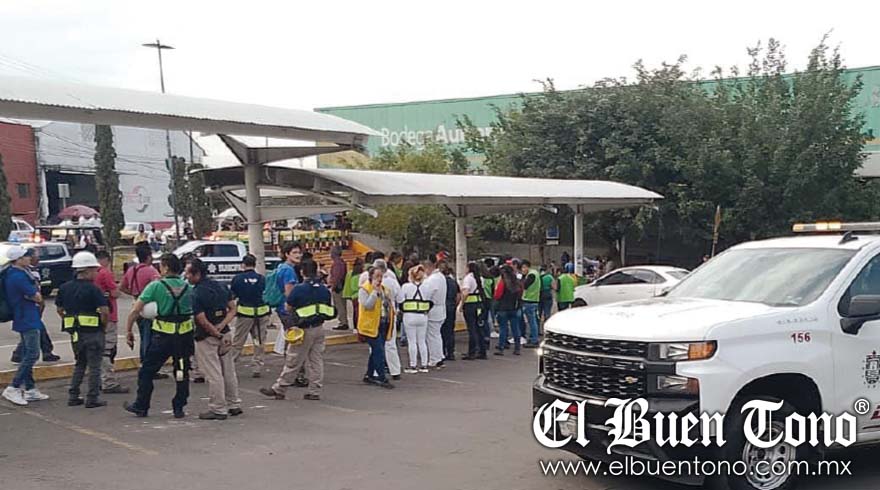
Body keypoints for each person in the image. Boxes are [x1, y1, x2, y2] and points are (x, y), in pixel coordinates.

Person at [123, 253, 194, 418]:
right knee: (181, 372)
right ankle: (179, 407)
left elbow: (135, 310)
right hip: (184, 338)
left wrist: (129, 331)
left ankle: (141, 405)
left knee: (146, 372)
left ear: (166, 267)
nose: (159, 269)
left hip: (162, 338)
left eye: (161, 266)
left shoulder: (156, 286)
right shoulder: (188, 288)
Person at [261, 259, 332, 401]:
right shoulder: (323, 289)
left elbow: (288, 307)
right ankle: (314, 390)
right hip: (319, 328)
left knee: (294, 359)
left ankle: (280, 388)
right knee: (316, 360)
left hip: (303, 330)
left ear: (302, 272)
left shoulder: (299, 289)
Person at [187, 258, 240, 420]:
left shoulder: (196, 293)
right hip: (225, 333)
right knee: (228, 371)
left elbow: (202, 320)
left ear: (197, 274)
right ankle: (234, 404)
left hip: (207, 337)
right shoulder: (221, 286)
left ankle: (218, 408)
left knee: (214, 373)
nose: (186, 276)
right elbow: (233, 309)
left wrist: (215, 333)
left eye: (188, 273)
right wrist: (222, 326)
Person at [57, 252, 109, 408]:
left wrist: (71, 321)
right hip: (93, 333)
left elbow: (60, 309)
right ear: (87, 270)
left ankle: (73, 395)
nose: (96, 273)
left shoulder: (64, 288)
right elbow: (105, 311)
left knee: (80, 363)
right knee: (94, 366)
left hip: (75, 334)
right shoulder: (94, 289)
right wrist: (103, 326)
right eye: (94, 270)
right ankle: (92, 398)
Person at [1, 247, 50, 406]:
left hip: (25, 315)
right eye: (25, 256)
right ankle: (13, 387)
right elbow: (36, 296)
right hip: (27, 316)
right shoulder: (18, 276)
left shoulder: (14, 273)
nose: (29, 258)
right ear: (18, 259)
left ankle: (30, 388)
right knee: (33, 354)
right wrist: (35, 295)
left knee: (27, 352)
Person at [120, 243, 164, 378]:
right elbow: (160, 286)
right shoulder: (150, 271)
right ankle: (148, 366)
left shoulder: (131, 270)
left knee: (144, 335)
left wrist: (134, 293)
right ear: (149, 257)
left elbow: (122, 287)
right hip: (149, 306)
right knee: (149, 338)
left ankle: (144, 363)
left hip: (136, 302)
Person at [10, 247, 61, 364]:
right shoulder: (24, 272)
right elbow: (33, 291)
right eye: (35, 256)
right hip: (30, 308)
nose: (38, 258)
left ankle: (23, 353)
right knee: (34, 332)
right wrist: (40, 302)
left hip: (31, 308)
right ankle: (22, 354)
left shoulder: (28, 270)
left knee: (35, 331)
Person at [230, 254, 270, 378]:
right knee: (258, 341)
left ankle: (230, 365)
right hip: (261, 314)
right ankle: (257, 367)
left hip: (245, 315)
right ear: (255, 264)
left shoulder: (237, 279)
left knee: (238, 342)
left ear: (243, 265)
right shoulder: (262, 279)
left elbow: (232, 296)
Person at [94, 250, 128, 394]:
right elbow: (115, 293)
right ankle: (108, 382)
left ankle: (97, 379)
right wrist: (117, 288)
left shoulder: (90, 274)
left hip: (93, 316)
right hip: (109, 314)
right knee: (107, 349)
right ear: (106, 260)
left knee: (96, 349)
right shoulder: (105, 273)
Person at [358, 266, 395, 389]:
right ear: (370, 277)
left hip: (383, 323)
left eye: (381, 276)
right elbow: (367, 305)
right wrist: (374, 292)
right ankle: (381, 377)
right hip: (370, 326)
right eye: (376, 276)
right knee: (379, 351)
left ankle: (369, 375)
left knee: (376, 351)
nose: (379, 279)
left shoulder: (385, 289)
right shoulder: (364, 289)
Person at [397, 264, 430, 373]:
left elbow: (400, 300)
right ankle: (424, 365)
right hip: (423, 316)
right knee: (422, 341)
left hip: (409, 316)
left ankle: (413, 365)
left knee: (412, 342)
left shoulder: (406, 287)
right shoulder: (426, 287)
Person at [421, 255, 447, 369]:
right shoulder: (441, 277)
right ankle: (439, 356)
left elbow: (426, 295)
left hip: (433, 309)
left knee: (432, 336)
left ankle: (435, 359)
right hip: (440, 308)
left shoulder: (432, 279)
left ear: (428, 268)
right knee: (437, 334)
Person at [460, 261, 487, 360]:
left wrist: (461, 304)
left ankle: (472, 352)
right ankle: (482, 351)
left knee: (472, 329)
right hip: (479, 304)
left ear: (468, 268)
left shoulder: (468, 278)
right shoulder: (480, 278)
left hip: (470, 305)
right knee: (479, 328)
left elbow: (466, 292)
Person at [494, 265, 522, 356]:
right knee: (515, 328)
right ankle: (517, 348)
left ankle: (501, 348)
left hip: (503, 307)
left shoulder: (503, 282)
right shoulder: (517, 282)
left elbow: (497, 295)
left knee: (503, 328)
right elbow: (521, 294)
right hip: (514, 307)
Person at [441, 263, 460, 362]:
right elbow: (458, 296)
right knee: (450, 330)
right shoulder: (453, 282)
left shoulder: (439, 282)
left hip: (442, 307)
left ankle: (442, 351)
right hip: (451, 307)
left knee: (441, 331)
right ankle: (451, 352)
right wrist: (455, 305)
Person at [520, 260, 541, 348]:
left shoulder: (531, 275)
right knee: (533, 321)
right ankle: (533, 337)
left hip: (529, 300)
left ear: (527, 266)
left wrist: (522, 278)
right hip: (534, 299)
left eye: (523, 267)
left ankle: (534, 340)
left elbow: (525, 285)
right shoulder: (535, 273)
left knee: (532, 322)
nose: (522, 270)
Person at [328, 247, 349, 331]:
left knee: (340, 305)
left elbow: (337, 276)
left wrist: (333, 286)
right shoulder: (342, 262)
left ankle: (343, 322)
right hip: (341, 286)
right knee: (342, 305)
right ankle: (343, 321)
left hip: (338, 288)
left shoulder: (337, 264)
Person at [343, 257, 363, 332]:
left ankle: (355, 327)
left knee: (355, 312)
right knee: (360, 313)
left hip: (353, 296)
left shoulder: (350, 274)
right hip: (360, 295)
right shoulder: (361, 276)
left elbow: (350, 286)